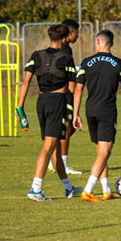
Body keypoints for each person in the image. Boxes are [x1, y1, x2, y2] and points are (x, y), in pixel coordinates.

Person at [17, 24, 82, 201]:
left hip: (42, 102)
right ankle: (35, 189)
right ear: (64, 39)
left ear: (49, 38)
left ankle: (69, 188)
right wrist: (73, 113)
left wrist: (19, 108)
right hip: (57, 103)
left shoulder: (36, 55)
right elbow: (71, 88)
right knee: (48, 148)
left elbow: (25, 83)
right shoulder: (66, 57)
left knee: (55, 147)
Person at [73, 30, 121, 202]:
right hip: (107, 111)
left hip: (90, 110)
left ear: (97, 42)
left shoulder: (86, 62)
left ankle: (106, 189)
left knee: (100, 152)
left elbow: (78, 89)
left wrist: (75, 114)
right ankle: (88, 189)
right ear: (112, 44)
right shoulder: (119, 64)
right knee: (105, 152)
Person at [48, 18, 83, 175]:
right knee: (67, 128)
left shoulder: (61, 48)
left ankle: (53, 161)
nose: (78, 36)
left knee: (69, 128)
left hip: (55, 92)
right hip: (64, 93)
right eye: (77, 33)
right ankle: (62, 164)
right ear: (70, 33)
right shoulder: (66, 49)